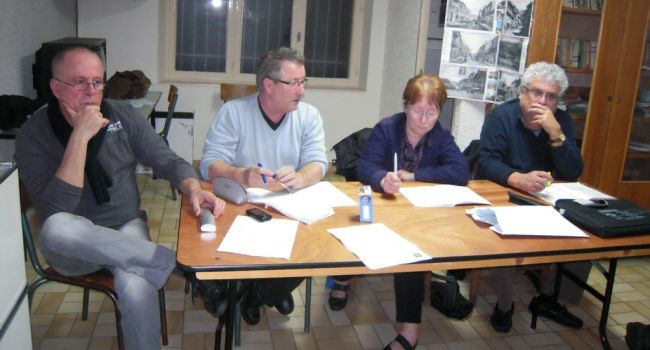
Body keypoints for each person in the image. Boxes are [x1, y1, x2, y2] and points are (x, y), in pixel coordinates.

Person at [15, 47, 226, 350]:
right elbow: (54, 210)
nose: (91, 92)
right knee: (56, 226)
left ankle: (154, 262)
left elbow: (164, 158)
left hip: (125, 227)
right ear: (55, 87)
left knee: (138, 287)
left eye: (97, 82)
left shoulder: (123, 115)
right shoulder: (33, 134)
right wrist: (79, 138)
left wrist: (192, 186)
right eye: (79, 82)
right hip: (72, 247)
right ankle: (175, 266)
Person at [200, 47, 328, 325]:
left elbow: (318, 162)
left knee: (317, 249)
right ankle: (270, 287)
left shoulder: (309, 116)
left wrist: (301, 177)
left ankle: (257, 294)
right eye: (294, 83)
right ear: (268, 85)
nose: (301, 90)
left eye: (303, 82)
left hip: (287, 206)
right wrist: (243, 174)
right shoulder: (233, 113)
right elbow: (209, 164)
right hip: (241, 206)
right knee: (235, 246)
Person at [355, 74, 470, 350]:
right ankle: (342, 280)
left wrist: (415, 175)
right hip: (384, 208)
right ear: (405, 106)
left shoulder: (440, 135)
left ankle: (410, 331)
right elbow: (364, 166)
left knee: (411, 253)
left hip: (418, 215)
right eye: (417, 111)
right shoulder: (387, 128)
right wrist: (383, 178)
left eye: (432, 112)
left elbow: (460, 172)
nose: (424, 119)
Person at [477, 61, 585, 333]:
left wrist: (556, 135)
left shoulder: (562, 122)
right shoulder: (501, 116)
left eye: (551, 97)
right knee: (503, 236)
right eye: (537, 93)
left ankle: (549, 298)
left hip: (547, 196)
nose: (543, 101)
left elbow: (572, 172)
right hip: (506, 193)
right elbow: (487, 161)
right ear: (522, 93)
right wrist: (518, 179)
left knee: (587, 230)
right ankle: (504, 305)